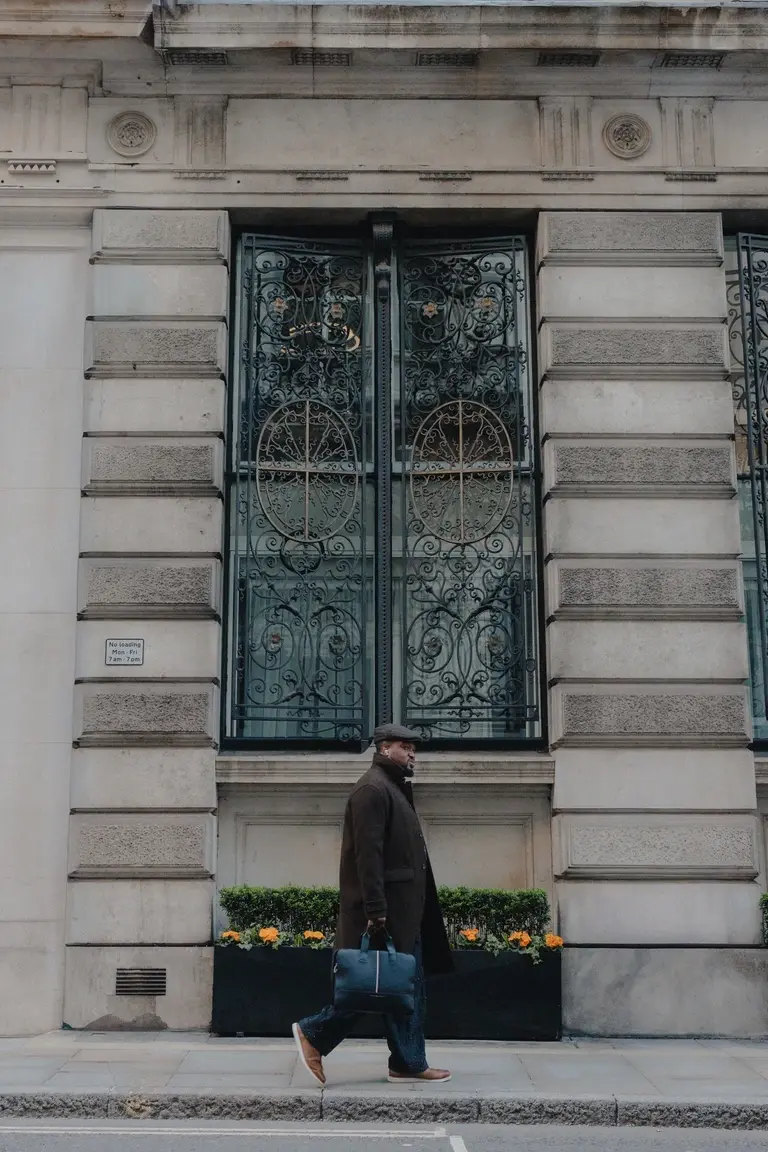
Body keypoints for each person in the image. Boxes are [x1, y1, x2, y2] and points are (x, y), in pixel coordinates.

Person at [292, 723, 453, 1085]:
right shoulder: (372, 790)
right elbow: (367, 857)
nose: (412, 753)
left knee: (401, 987)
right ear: (383, 749)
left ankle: (407, 1062)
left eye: (414, 747)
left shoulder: (392, 788)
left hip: (402, 910)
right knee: (371, 986)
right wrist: (376, 911)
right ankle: (313, 1034)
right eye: (405, 746)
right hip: (385, 914)